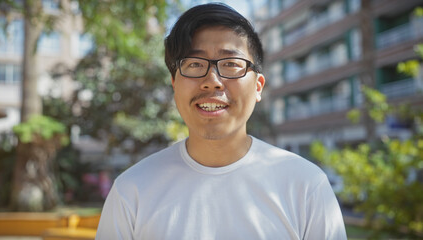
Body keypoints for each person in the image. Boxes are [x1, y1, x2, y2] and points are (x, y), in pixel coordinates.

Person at [96, 3, 347, 240]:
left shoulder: (306, 186)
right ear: (174, 83)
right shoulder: (132, 191)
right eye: (194, 64)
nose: (212, 80)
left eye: (230, 64)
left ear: (258, 86)